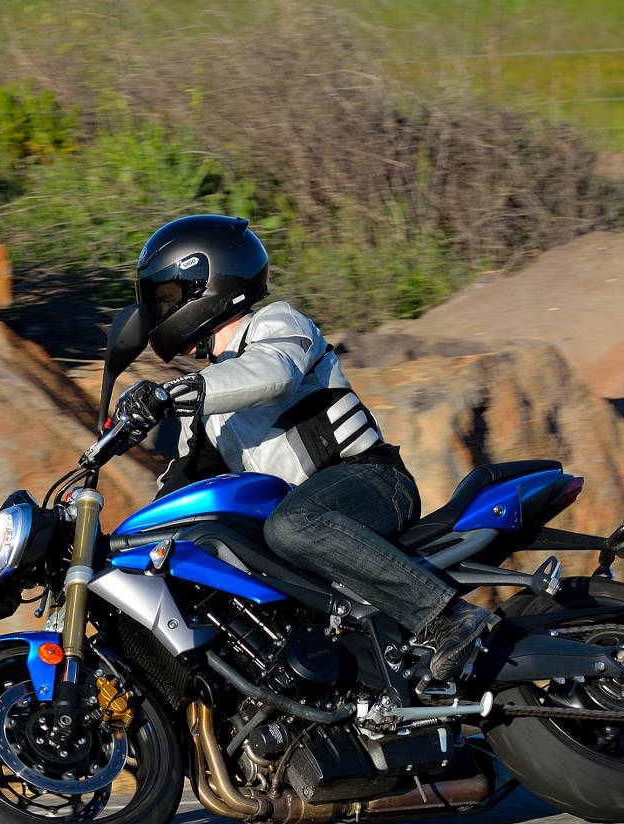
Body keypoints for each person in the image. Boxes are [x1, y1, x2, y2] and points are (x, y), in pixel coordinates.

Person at [114, 214, 492, 683]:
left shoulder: (277, 324)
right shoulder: (207, 404)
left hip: (373, 483)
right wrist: (123, 544)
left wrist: (171, 394)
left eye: (167, 297)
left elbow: (272, 374)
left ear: (207, 285)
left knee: (290, 525)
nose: (160, 311)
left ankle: (446, 617)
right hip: (305, 524)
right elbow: (182, 491)